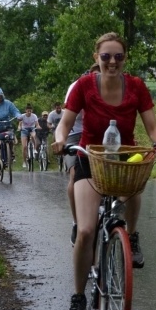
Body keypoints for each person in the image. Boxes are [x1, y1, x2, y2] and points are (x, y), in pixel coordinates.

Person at [52, 32, 156, 310]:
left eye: (118, 56)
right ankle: (78, 297)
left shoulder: (136, 86)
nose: (112, 62)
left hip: (123, 157)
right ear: (96, 58)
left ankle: (131, 235)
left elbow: (152, 127)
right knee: (86, 231)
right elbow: (65, 123)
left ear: (125, 58)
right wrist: (60, 140)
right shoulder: (83, 86)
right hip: (90, 158)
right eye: (106, 56)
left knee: (136, 181)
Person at [63, 64, 99, 246]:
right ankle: (77, 222)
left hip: (99, 134)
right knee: (75, 174)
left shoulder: (111, 85)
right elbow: (67, 119)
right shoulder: (76, 87)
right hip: (76, 133)